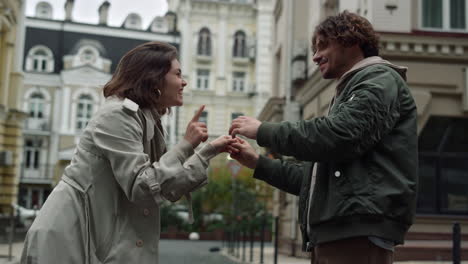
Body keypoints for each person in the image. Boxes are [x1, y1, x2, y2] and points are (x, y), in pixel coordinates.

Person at [229, 11, 418, 264]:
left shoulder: (378, 80)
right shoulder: (352, 90)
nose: (315, 56)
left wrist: (264, 131)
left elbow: (338, 135)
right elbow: (313, 182)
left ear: (351, 41)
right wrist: (257, 163)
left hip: (357, 234)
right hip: (341, 233)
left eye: (323, 46)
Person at [21, 41, 236, 263]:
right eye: (178, 74)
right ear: (154, 78)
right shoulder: (117, 115)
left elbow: (165, 184)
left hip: (94, 243)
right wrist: (185, 145)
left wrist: (209, 150)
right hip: (68, 242)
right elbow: (142, 186)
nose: (184, 82)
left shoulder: (145, 119)